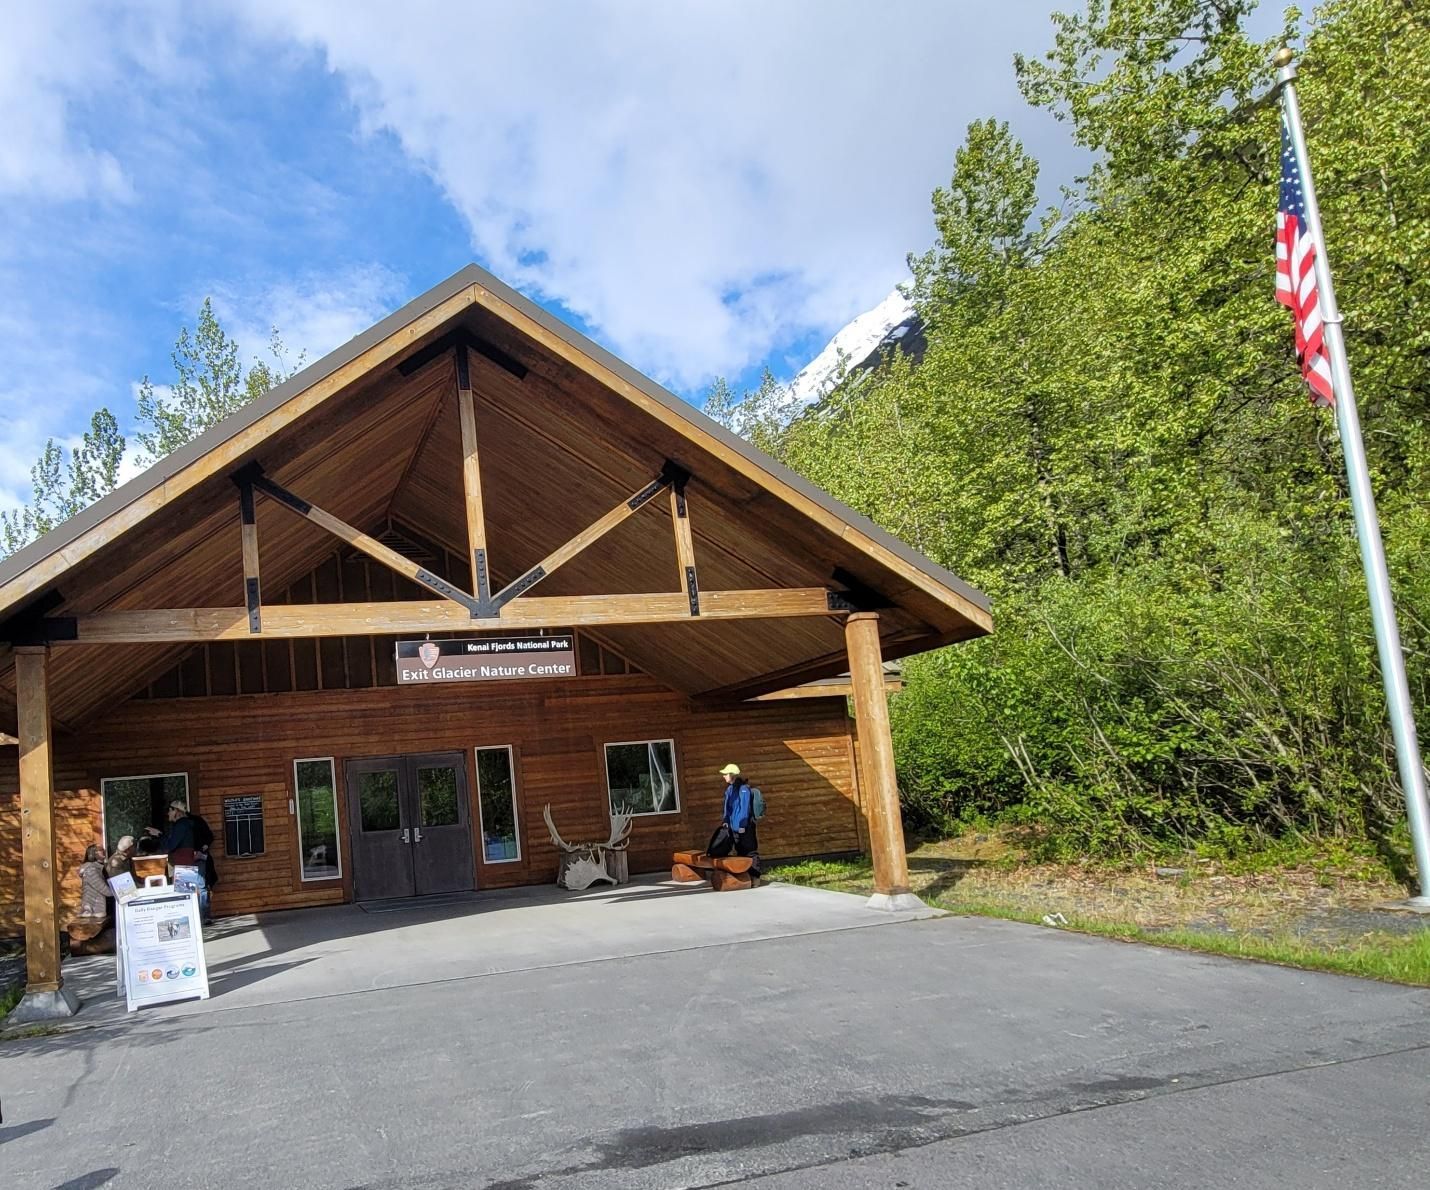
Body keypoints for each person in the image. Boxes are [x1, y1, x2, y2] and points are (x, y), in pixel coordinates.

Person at [68, 844, 115, 955]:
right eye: (100, 850)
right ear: (92, 854)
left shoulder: (98, 868)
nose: (103, 852)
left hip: (98, 905)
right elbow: (103, 888)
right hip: (94, 907)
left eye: (103, 850)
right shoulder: (91, 870)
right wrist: (117, 892)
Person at [717, 762, 761, 876]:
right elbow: (728, 808)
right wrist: (726, 821)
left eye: (726, 774)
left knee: (750, 851)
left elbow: (744, 808)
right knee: (740, 851)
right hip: (734, 827)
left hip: (745, 827)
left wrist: (742, 825)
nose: (723, 776)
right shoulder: (730, 790)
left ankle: (754, 876)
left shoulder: (744, 789)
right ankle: (744, 876)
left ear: (732, 775)